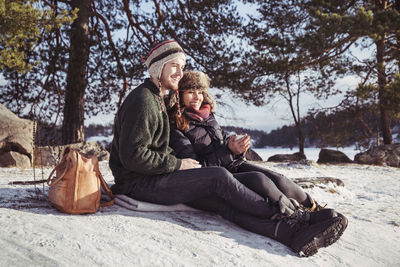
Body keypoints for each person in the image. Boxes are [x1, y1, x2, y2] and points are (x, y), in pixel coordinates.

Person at [109, 40, 347, 257]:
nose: (180, 73)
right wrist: (179, 164)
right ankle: (296, 217)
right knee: (218, 176)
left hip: (154, 175)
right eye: (174, 66)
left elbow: (156, 148)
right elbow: (133, 156)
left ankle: (289, 233)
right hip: (138, 183)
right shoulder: (143, 100)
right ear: (158, 67)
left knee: (221, 201)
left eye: (182, 67)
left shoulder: (156, 98)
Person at [166, 70, 323, 212]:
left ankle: (313, 207)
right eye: (191, 92)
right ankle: (295, 215)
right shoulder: (177, 125)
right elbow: (195, 167)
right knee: (260, 181)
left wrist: (234, 143)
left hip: (232, 164)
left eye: (200, 92)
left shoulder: (207, 115)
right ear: (179, 95)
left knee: (279, 179)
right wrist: (229, 151)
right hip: (217, 177)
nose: (197, 97)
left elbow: (220, 138)